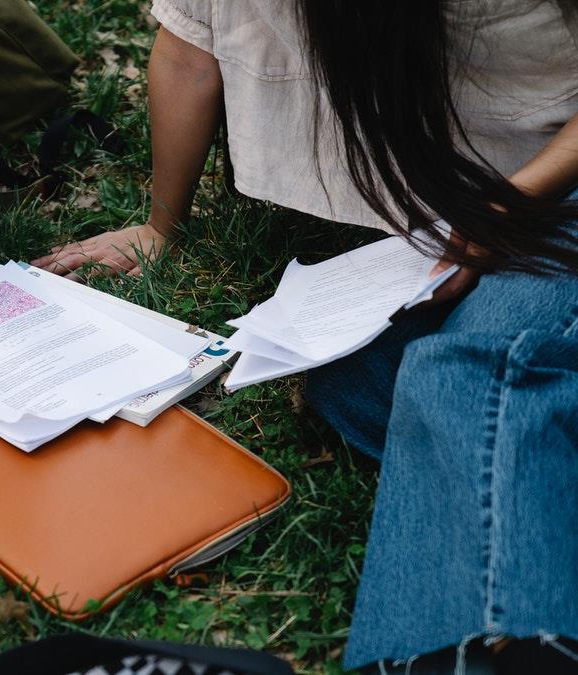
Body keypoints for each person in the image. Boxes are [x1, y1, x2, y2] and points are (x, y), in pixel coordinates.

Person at [34, 1, 578, 672]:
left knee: (473, 374)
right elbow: (188, 50)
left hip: (552, 193)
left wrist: (515, 202)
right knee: (357, 386)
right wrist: (160, 226)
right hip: (454, 223)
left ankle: (472, 655)